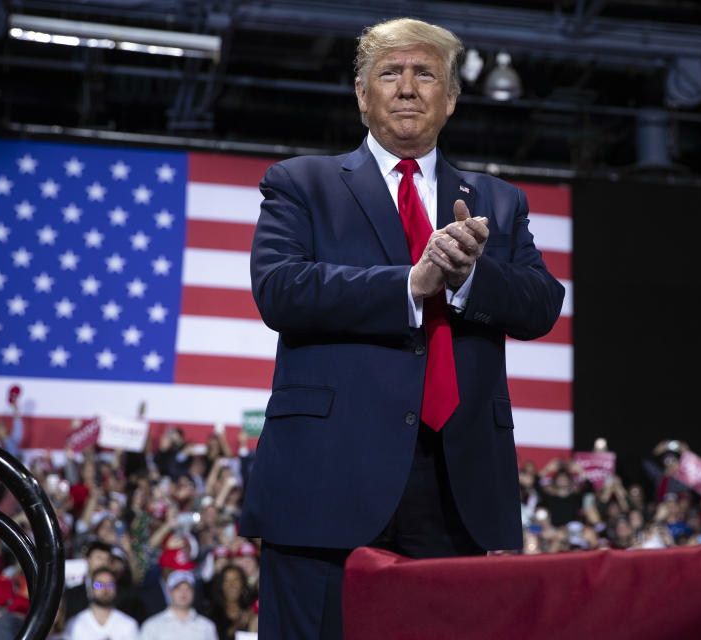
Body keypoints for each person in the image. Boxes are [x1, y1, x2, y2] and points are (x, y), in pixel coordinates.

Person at [238, 16, 565, 638]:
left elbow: (541, 304)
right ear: (362, 94)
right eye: (390, 73)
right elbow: (280, 289)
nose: (408, 87)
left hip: (456, 488)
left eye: (426, 74)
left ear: (451, 97)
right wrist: (410, 285)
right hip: (326, 483)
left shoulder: (498, 200)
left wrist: (470, 276)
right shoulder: (300, 183)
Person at [64, 567, 139, 639]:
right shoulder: (75, 624)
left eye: (110, 585)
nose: (105, 589)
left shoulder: (128, 624)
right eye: (99, 585)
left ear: (116, 590)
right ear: (90, 590)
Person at [139, 571, 217, 640]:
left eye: (188, 588)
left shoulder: (207, 627)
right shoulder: (152, 626)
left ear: (193, 592)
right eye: (178, 588)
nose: (183, 593)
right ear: (169, 591)